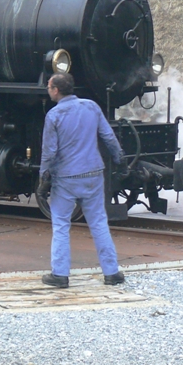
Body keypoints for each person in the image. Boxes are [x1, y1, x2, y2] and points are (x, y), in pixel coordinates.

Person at [37, 72, 126, 288]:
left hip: (66, 178)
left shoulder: (54, 115)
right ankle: (111, 272)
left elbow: (49, 151)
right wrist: (120, 159)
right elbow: (108, 136)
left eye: (49, 87)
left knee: (61, 224)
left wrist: (43, 178)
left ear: (56, 90)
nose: (48, 90)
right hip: (93, 174)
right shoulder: (91, 107)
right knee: (98, 223)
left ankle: (60, 274)